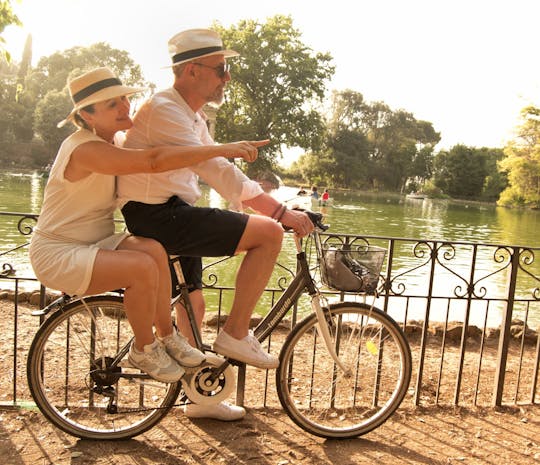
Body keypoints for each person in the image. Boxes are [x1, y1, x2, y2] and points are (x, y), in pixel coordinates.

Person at [117, 29, 315, 420]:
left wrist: (273, 204)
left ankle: (201, 398)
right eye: (221, 69)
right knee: (269, 234)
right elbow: (213, 168)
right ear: (193, 71)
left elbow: (223, 172)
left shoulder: (190, 114)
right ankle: (236, 333)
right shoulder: (166, 110)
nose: (227, 78)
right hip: (159, 214)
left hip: (169, 210)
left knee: (193, 303)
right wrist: (280, 216)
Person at [29, 66, 267, 385]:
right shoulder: (85, 149)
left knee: (154, 250)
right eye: (111, 104)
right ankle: (143, 349)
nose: (125, 107)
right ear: (87, 116)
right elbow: (153, 160)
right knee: (140, 267)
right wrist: (223, 150)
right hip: (58, 252)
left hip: (94, 243)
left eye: (124, 99)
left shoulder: (115, 140)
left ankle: (168, 338)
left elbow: (162, 158)